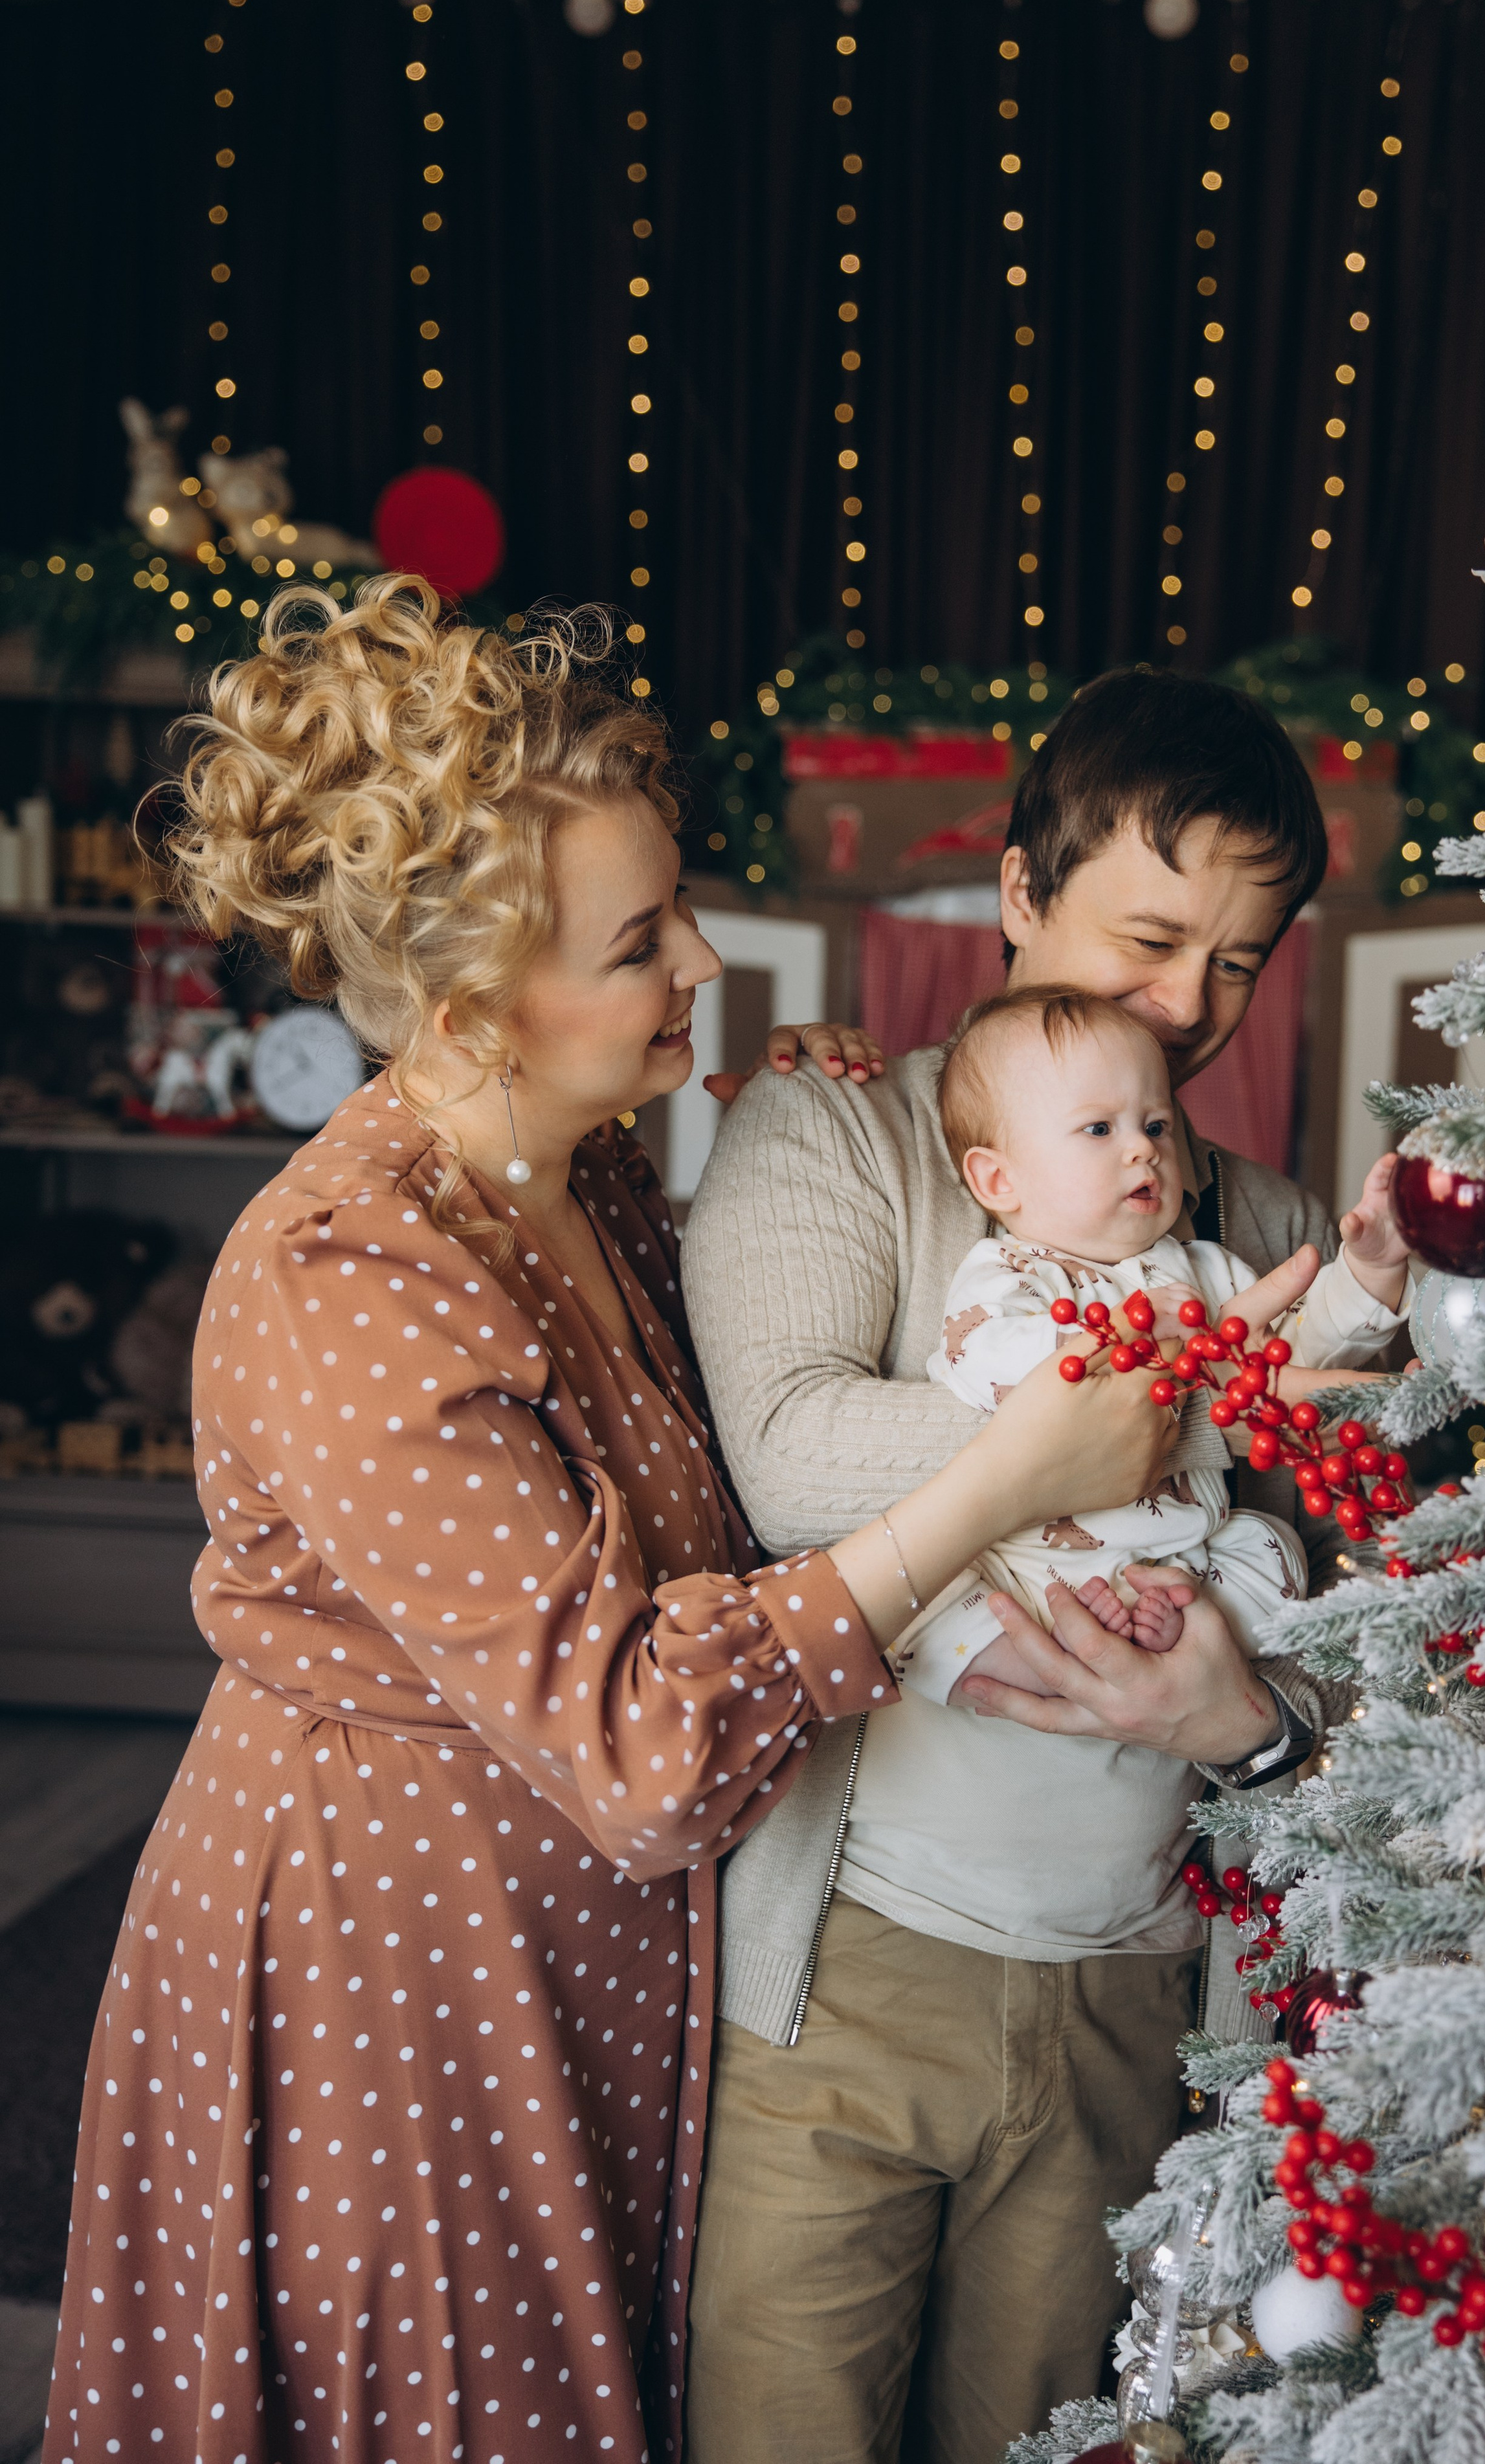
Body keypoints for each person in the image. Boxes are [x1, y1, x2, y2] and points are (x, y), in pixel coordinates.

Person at [43, 588, 1187, 2464]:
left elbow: (722, 1508)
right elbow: (647, 1744)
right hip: (393, 1982)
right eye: (643, 940)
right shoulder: (349, 1271)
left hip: (576, 1964)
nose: (703, 960)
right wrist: (1006, 1476)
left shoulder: (593, 1178)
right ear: (474, 1005)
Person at [680, 667, 1363, 2464]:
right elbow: (786, 1459)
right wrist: (1150, 1418)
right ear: (1016, 893)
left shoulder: (1266, 1228)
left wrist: (1254, 1715)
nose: (1189, 1007)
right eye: (1149, 939)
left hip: (1134, 1974)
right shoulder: (833, 1130)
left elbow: (1381, 1615)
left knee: (1048, 2436)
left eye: (1238, 961)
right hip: (848, 1966)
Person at [902, 982, 1410, 1711]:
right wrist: (1131, 1336)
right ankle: (1053, 1662)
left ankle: (1167, 1628)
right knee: (920, 1607)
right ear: (998, 1178)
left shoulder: (1205, 1269)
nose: (1144, 1148)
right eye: (1098, 1129)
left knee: (1277, 1554)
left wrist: (1366, 1277)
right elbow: (988, 1364)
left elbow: (1287, 1365)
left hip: (1180, 1558)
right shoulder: (1008, 1272)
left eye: (1157, 1125)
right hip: (1030, 1567)